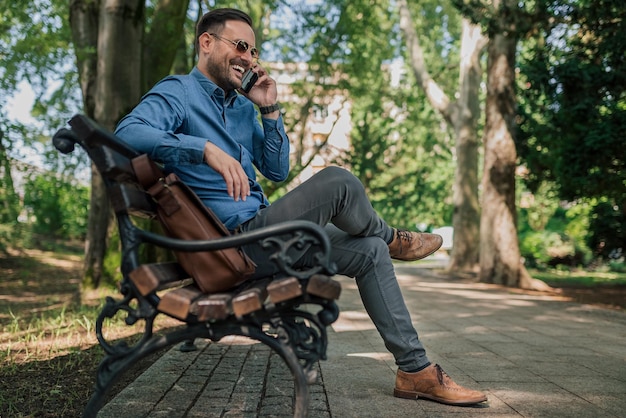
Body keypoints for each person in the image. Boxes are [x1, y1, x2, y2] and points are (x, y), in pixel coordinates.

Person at [115, 7, 488, 407]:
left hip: (262, 235)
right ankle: (394, 236)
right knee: (339, 181)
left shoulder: (241, 107)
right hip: (229, 246)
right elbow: (128, 133)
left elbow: (276, 170)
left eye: (254, 52)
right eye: (240, 46)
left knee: (370, 251)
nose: (249, 58)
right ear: (206, 43)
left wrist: (269, 109)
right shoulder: (179, 93)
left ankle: (415, 371)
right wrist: (202, 148)